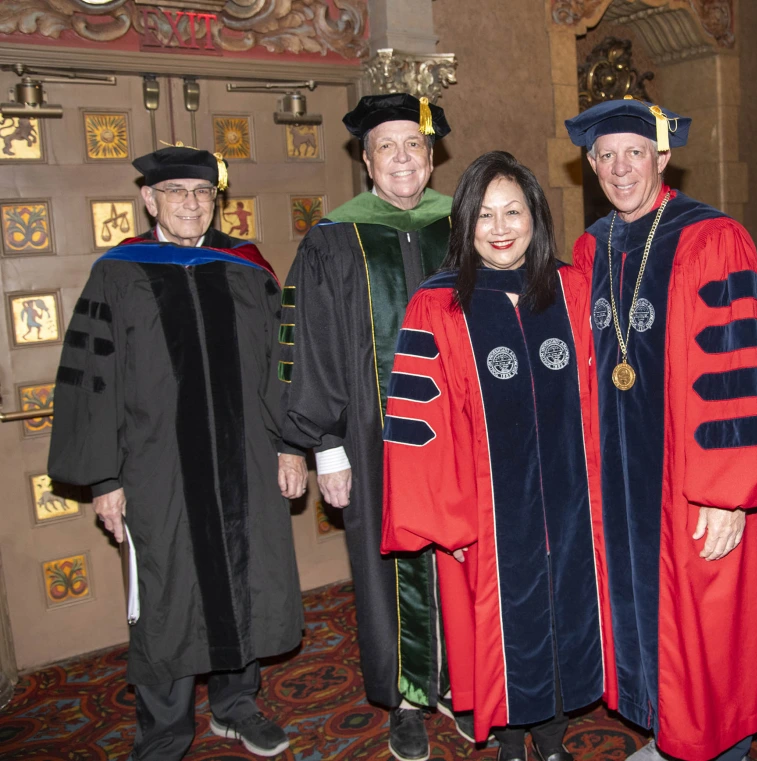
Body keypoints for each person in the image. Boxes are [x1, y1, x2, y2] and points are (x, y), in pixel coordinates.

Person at [48, 145, 302, 760]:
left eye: (202, 193)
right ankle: (163, 732)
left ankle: (236, 705)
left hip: (246, 459)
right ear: (149, 199)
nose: (191, 203)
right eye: (177, 192)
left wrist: (294, 445)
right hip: (156, 467)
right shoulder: (119, 272)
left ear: (216, 200)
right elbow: (93, 379)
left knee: (247, 578)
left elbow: (284, 364)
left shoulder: (245, 267)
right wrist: (105, 479)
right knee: (164, 596)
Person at [565, 97, 757, 761]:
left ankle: (721, 749)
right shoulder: (591, 247)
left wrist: (726, 492)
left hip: (693, 478)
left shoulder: (711, 237)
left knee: (707, 620)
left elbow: (736, 370)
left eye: (636, 152)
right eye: (606, 156)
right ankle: (670, 733)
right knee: (640, 614)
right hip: (621, 482)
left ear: (664, 157)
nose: (621, 167)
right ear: (591, 164)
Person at [381, 150, 612, 761]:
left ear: (536, 217)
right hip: (485, 514)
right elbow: (418, 426)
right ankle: (511, 741)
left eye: (514, 211)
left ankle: (555, 737)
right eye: (485, 215)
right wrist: (448, 522)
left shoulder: (571, 290)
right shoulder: (437, 305)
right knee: (499, 630)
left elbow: (600, 398)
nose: (502, 227)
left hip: (570, 505)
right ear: (464, 223)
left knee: (568, 615)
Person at [274, 93, 467, 760]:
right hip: (372, 438)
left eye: (416, 144)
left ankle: (464, 683)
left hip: (464, 437)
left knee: (465, 560)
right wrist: (324, 445)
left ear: (434, 155)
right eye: (388, 146)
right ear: (366, 159)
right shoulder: (334, 238)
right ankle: (407, 698)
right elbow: (309, 342)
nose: (404, 158)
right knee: (388, 565)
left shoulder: (467, 225)